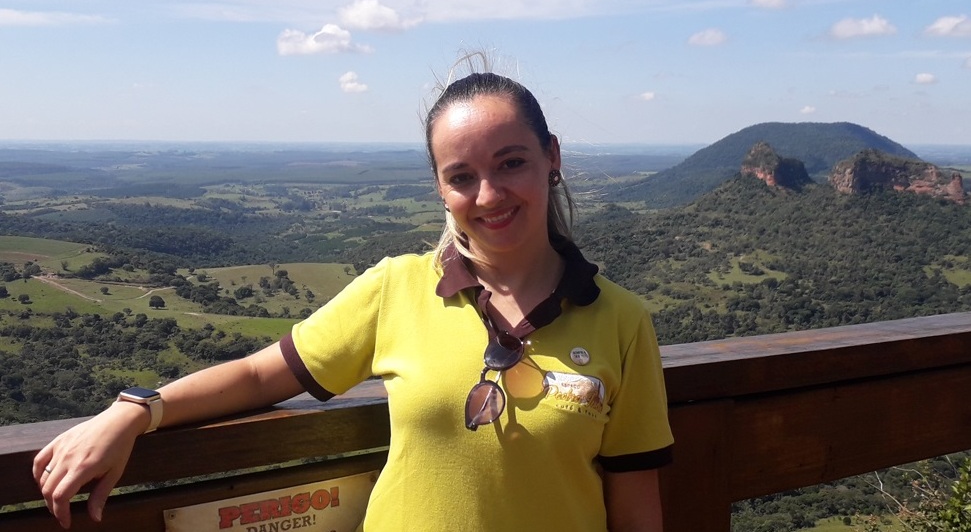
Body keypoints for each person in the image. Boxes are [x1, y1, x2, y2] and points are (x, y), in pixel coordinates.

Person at [34, 63, 674, 531]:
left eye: (511, 163)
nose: (488, 194)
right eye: (461, 176)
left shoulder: (620, 322)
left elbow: (635, 512)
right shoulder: (396, 288)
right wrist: (135, 411)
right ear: (440, 188)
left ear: (550, 157)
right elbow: (260, 375)